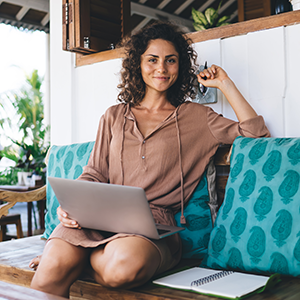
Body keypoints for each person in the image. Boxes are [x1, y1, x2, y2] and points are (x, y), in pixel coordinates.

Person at [29, 21, 270, 297]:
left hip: (154, 229)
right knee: (54, 265)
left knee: (118, 268)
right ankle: (68, 259)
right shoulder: (114, 116)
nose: (161, 68)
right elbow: (94, 173)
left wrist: (225, 83)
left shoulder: (197, 119)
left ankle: (78, 261)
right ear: (138, 64)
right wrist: (71, 209)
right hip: (97, 222)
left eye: (171, 61)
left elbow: (256, 134)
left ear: (180, 67)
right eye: (152, 59)